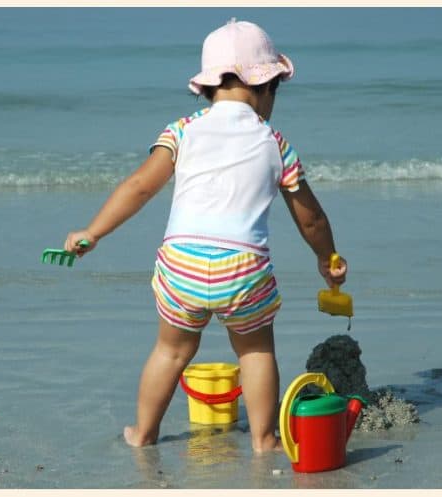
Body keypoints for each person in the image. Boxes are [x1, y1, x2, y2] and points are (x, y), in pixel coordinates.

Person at [64, 18, 347, 453]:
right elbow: (311, 219)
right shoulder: (275, 143)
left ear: (208, 87)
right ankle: (264, 438)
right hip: (244, 268)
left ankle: (143, 434)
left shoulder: (182, 130)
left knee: (172, 351)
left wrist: (93, 231)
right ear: (266, 85)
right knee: (254, 352)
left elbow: (139, 186)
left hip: (182, 264)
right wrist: (327, 259)